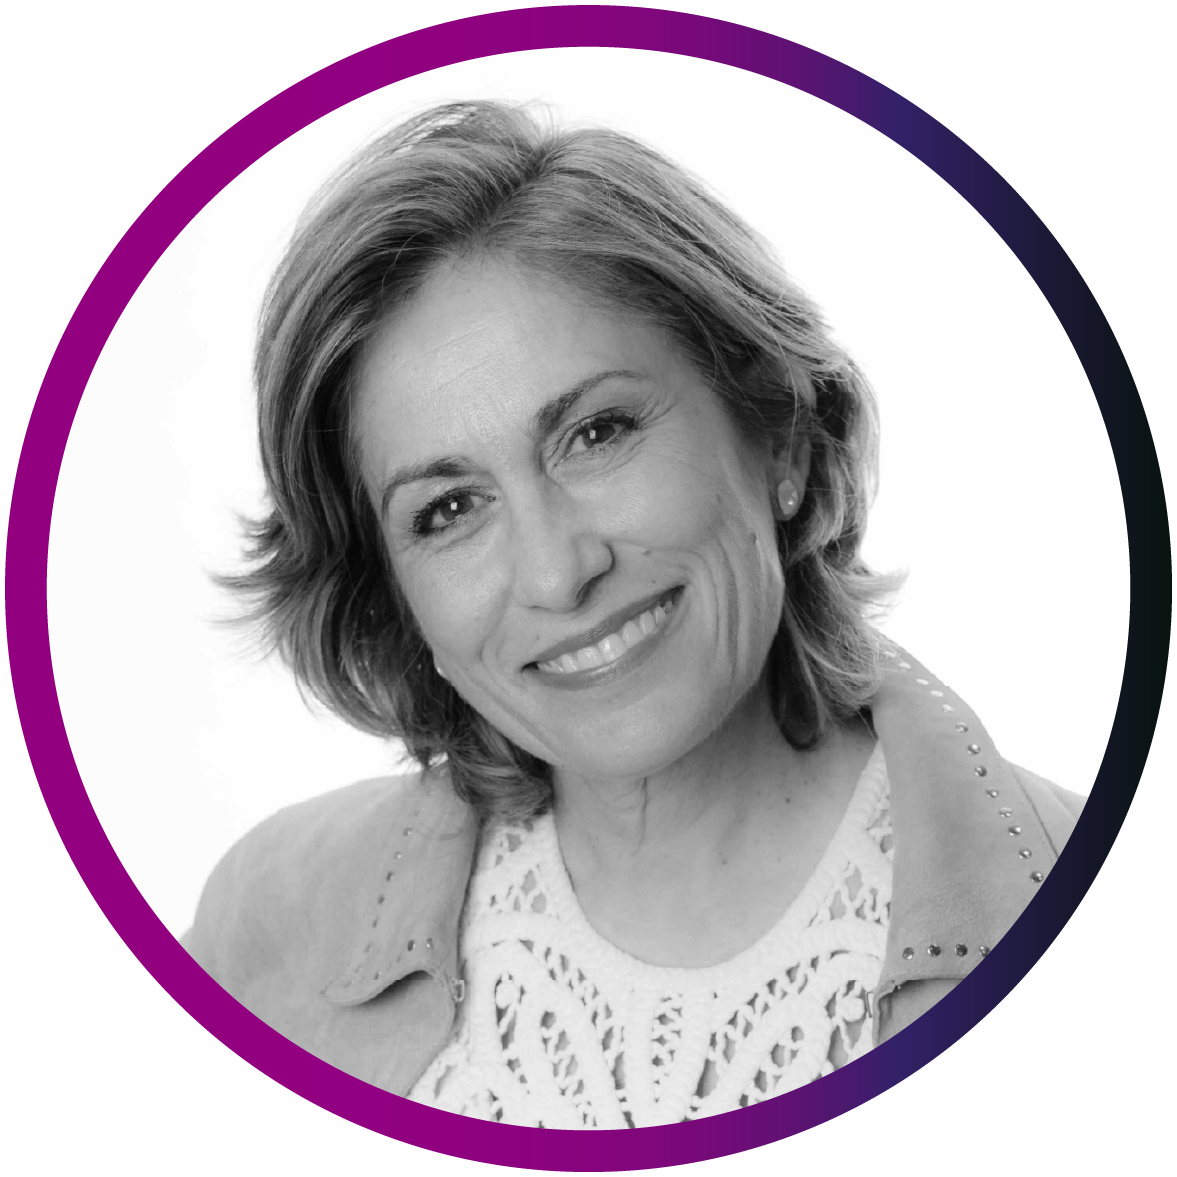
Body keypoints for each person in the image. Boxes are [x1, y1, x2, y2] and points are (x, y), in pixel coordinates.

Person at [183, 100, 1083, 1127]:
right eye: (448, 509)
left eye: (597, 433)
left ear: (779, 436)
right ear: (391, 593)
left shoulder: (1102, 918)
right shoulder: (266, 931)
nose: (556, 574)